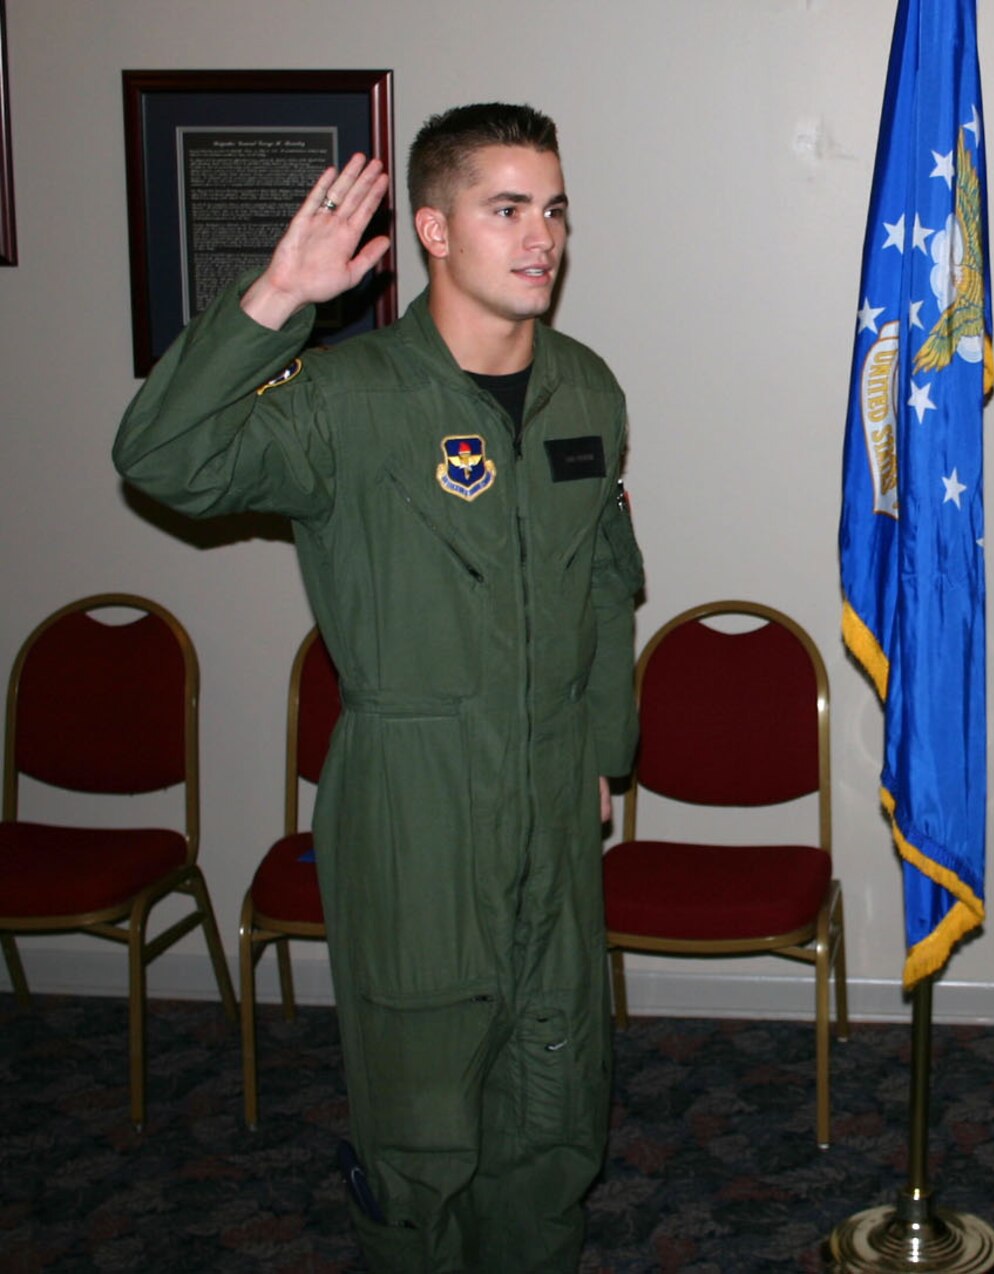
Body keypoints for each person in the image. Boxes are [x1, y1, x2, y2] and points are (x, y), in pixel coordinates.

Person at [114, 104, 643, 1273]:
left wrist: (604, 754)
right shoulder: (350, 396)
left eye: (552, 208)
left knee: (555, 1102)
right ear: (435, 229)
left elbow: (609, 582)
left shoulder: (585, 391)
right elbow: (161, 457)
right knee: (421, 1125)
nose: (540, 235)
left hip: (554, 789)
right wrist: (274, 300)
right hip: (413, 797)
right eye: (506, 208)